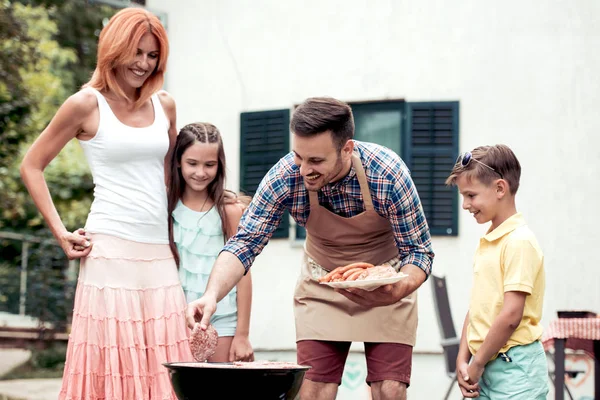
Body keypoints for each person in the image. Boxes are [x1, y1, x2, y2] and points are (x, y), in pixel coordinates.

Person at [186, 97, 434, 400]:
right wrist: (211, 296)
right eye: (299, 157)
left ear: (347, 148)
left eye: (316, 161)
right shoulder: (286, 175)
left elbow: (418, 251)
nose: (304, 169)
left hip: (387, 282)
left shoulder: (387, 173)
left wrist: (399, 288)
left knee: (390, 389)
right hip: (322, 283)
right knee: (314, 390)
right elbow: (245, 242)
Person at [20, 8, 193, 399]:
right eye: (138, 52)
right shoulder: (85, 104)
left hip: (158, 254)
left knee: (164, 368)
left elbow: (170, 181)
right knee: (112, 366)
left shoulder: (164, 105)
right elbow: (31, 165)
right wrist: (61, 232)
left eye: (153, 56)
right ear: (114, 49)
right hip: (109, 249)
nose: (144, 64)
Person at [445, 145, 548, 399]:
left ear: (500, 188)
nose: (465, 205)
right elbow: (479, 306)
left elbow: (512, 314)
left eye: (471, 195)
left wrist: (477, 363)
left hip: (515, 369)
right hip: (485, 362)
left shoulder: (518, 241)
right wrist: (463, 357)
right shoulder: (491, 239)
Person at [167, 122, 254, 362]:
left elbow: (243, 275)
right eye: (192, 163)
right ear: (177, 161)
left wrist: (242, 334)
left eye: (209, 164)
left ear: (220, 165)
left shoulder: (230, 210)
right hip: (176, 316)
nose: (201, 172)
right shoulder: (166, 208)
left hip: (223, 319)